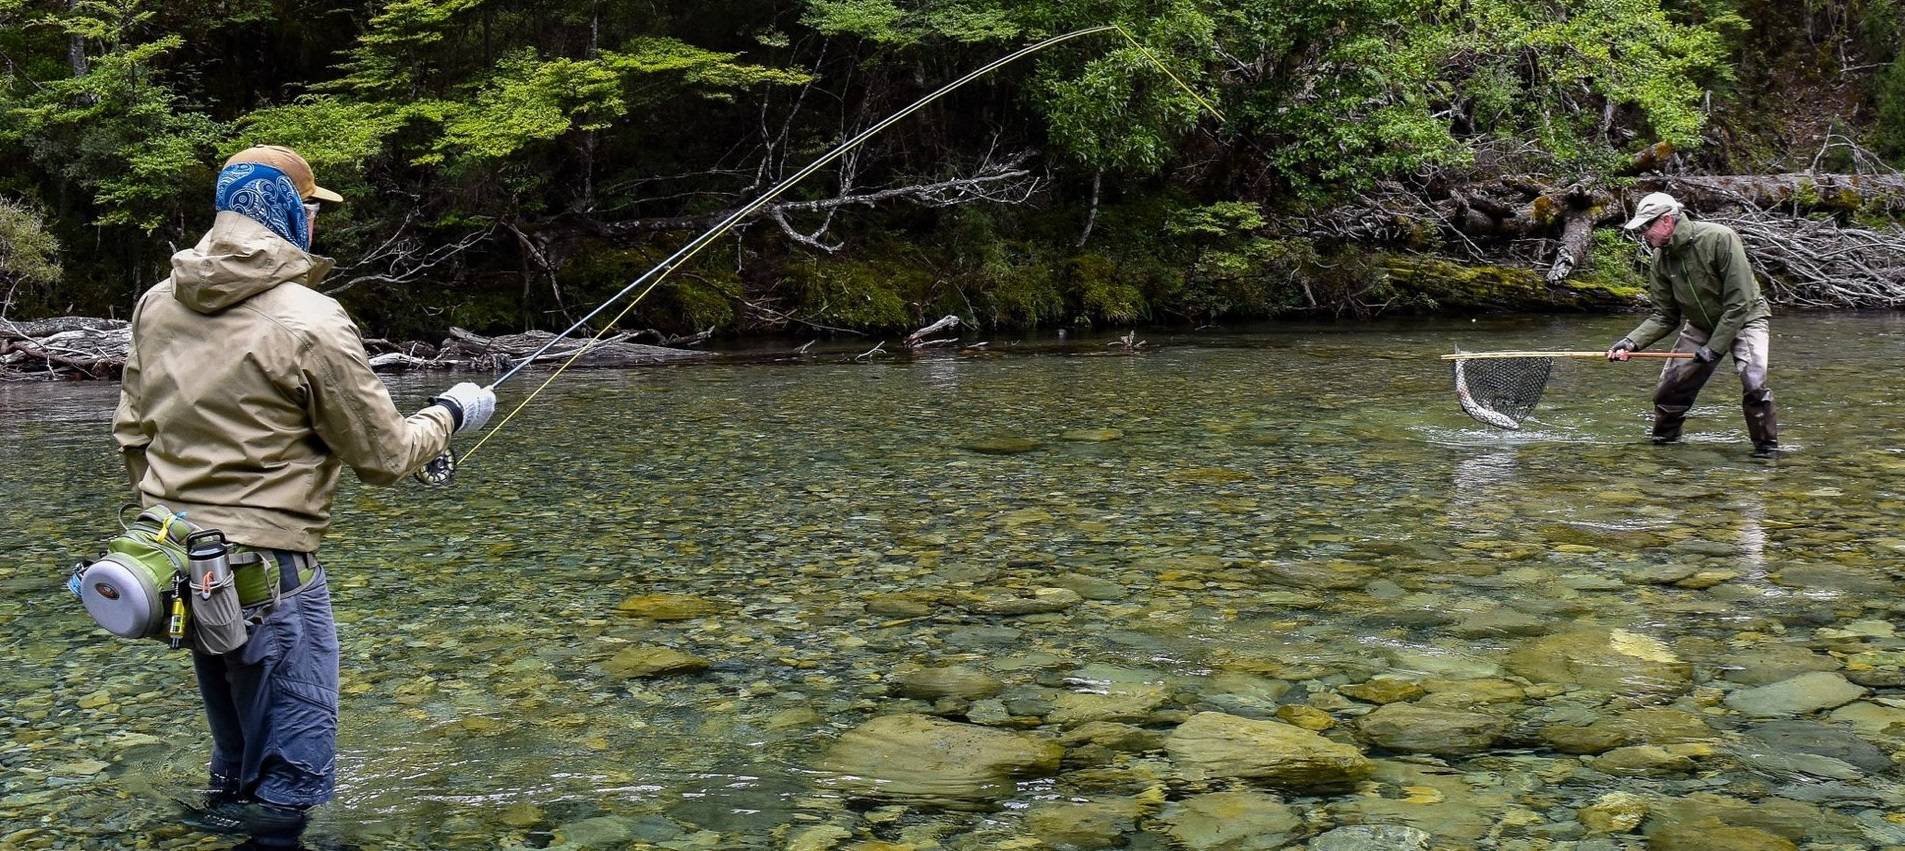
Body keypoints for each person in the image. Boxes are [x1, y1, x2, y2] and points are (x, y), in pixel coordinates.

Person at [112, 145, 496, 846]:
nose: (314, 221)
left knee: (234, 767)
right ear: (286, 211)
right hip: (273, 584)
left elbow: (132, 435)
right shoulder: (311, 320)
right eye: (311, 207)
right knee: (293, 780)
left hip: (183, 570)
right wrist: (452, 413)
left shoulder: (156, 304)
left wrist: (186, 521)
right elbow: (383, 458)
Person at [1605, 191, 1779, 457]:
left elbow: (1740, 302)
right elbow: (1664, 315)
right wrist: (1631, 342)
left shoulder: (1720, 238)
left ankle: (1767, 452)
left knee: (1754, 385)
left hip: (1746, 319)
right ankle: (1664, 448)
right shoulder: (1660, 259)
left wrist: (1714, 347)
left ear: (1666, 220)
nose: (1643, 235)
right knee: (1669, 392)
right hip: (1700, 324)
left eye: (1646, 227)